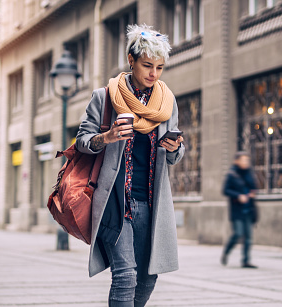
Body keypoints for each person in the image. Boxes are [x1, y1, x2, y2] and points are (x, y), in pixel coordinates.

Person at [75, 24, 184, 307]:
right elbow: (81, 142)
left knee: (149, 276)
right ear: (130, 60)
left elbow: (174, 156)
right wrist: (107, 137)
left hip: (151, 202)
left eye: (159, 68)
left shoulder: (166, 103)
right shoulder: (105, 98)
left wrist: (175, 148)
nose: (153, 74)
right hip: (115, 201)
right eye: (147, 65)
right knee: (125, 276)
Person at [221, 152, 258, 268]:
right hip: (237, 210)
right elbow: (225, 190)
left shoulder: (249, 174)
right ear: (236, 161)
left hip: (249, 209)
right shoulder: (231, 174)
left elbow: (254, 187)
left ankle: (246, 261)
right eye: (243, 160)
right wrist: (238, 196)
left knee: (248, 236)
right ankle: (226, 252)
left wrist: (252, 193)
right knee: (238, 233)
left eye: (247, 160)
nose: (245, 163)